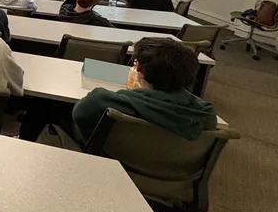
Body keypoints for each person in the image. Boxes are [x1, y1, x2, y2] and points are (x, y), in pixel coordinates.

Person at [72, 37, 217, 145]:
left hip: (111, 164)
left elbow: (79, 114)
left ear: (140, 71)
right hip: (168, 176)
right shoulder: (205, 115)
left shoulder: (102, 100)